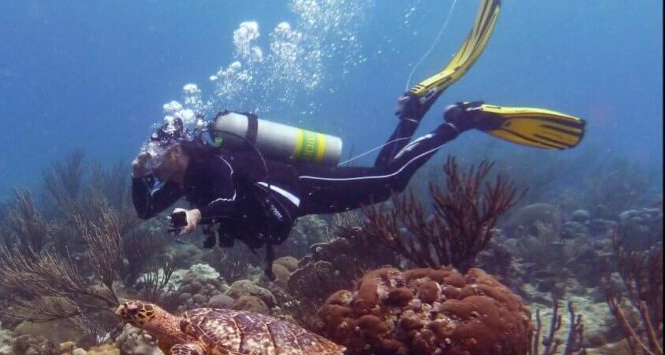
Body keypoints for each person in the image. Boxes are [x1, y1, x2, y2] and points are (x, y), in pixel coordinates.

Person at [131, 0, 585, 279]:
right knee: (383, 173)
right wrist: (137, 178)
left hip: (302, 185)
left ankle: (460, 121)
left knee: (390, 181)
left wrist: (194, 215)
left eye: (154, 159)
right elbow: (145, 209)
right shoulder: (182, 180)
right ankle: (414, 111)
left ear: (175, 150)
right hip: (298, 198)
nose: (153, 167)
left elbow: (228, 200)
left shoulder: (213, 163)